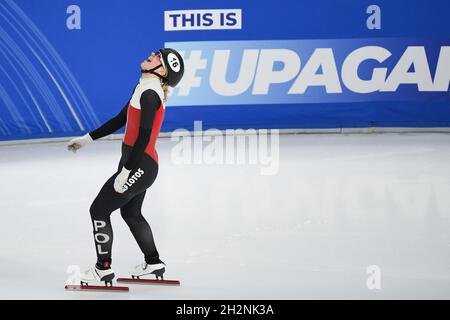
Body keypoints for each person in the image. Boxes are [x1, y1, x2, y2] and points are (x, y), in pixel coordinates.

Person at [67, 48, 184, 286]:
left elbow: (144, 136)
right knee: (130, 212)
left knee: (99, 210)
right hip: (139, 163)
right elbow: (120, 120)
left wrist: (127, 172)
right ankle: (153, 263)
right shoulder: (142, 87)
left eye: (158, 56)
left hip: (140, 165)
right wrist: (87, 139)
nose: (153, 53)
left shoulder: (151, 94)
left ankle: (103, 268)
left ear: (162, 71)